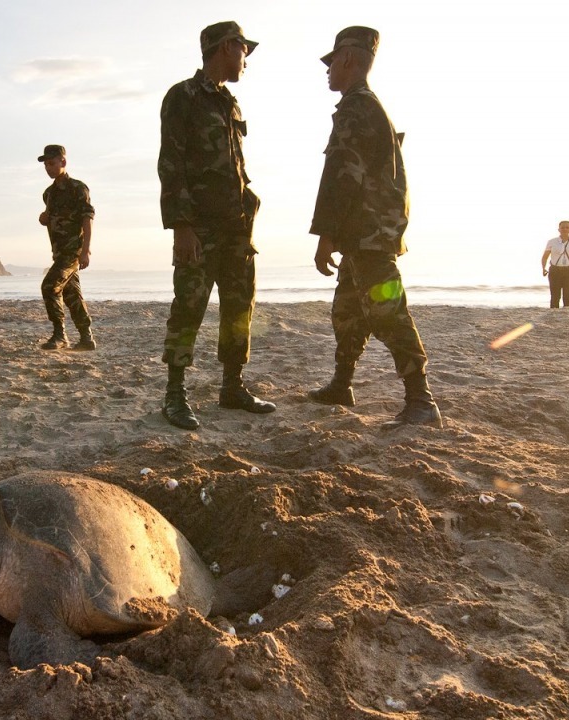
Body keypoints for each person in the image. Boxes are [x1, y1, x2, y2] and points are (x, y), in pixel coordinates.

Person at [306, 26, 443, 428]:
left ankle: (421, 399)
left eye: (332, 62)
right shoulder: (366, 107)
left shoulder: (357, 107)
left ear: (348, 59)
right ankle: (342, 384)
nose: (328, 70)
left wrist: (325, 235)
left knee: (388, 311)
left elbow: (341, 174)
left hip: (368, 233)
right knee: (348, 312)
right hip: (363, 233)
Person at [156, 21, 275, 430]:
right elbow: (170, 164)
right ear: (227, 47)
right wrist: (182, 227)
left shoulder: (230, 104)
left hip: (237, 227)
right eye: (244, 49)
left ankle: (232, 387)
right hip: (200, 228)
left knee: (240, 308)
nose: (246, 59)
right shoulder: (183, 97)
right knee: (188, 307)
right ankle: (174, 394)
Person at [37, 144, 95, 350]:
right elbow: (54, 218)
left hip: (72, 252)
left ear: (63, 161)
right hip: (58, 252)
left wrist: (86, 250)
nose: (48, 168)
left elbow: (87, 218)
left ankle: (60, 335)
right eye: (45, 165)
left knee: (49, 286)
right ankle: (86, 338)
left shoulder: (77, 188)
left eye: (51, 163)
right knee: (72, 295)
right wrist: (45, 219)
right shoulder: (49, 193)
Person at [541, 220, 569, 308]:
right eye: (562, 227)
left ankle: (567, 314)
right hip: (555, 270)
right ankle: (554, 315)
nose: (564, 229)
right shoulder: (552, 241)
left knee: (568, 295)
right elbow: (545, 257)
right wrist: (543, 268)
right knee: (555, 296)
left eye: (567, 227)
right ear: (559, 229)